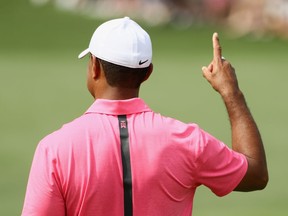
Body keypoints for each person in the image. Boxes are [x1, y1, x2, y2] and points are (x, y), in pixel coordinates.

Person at [22, 17, 268, 216]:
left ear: (94, 66)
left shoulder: (54, 149)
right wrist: (231, 92)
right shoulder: (187, 140)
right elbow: (256, 174)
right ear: (148, 72)